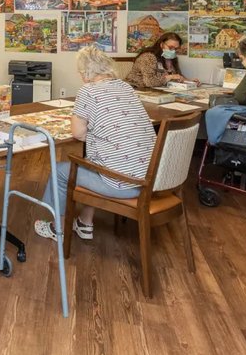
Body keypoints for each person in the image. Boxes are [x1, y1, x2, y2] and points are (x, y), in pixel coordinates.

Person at [34, 46, 157, 242]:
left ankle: (58, 229)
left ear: (85, 72)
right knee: (93, 161)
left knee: (60, 171)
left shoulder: (88, 91)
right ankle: (85, 222)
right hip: (149, 177)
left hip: (123, 184)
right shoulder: (126, 87)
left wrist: (97, 134)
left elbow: (78, 133)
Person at [125, 32, 199, 88]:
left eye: (176, 49)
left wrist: (190, 82)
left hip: (157, 90)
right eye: (170, 47)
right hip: (136, 89)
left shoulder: (173, 58)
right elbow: (149, 82)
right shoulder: (148, 57)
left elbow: (177, 76)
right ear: (161, 44)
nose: (173, 51)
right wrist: (170, 77)